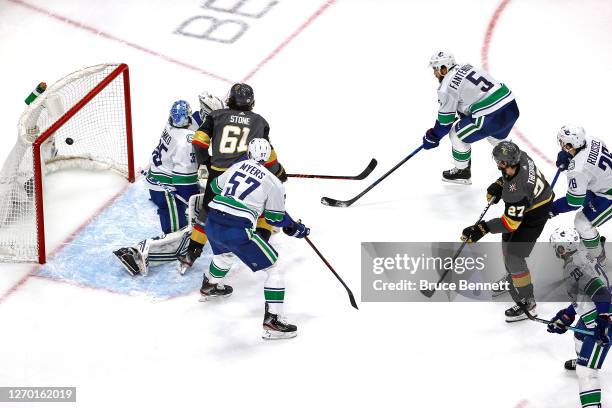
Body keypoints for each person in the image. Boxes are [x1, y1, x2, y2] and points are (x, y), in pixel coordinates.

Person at [200, 138, 309, 339]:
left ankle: (209, 285)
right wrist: (295, 228)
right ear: (268, 158)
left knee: (224, 255)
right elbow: (274, 218)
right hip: (237, 229)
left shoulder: (237, 165)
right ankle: (273, 321)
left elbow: (215, 187)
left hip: (212, 222)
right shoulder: (274, 182)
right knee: (275, 268)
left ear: (248, 152)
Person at [178, 83, 287, 271]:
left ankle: (191, 253)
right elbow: (267, 152)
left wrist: (206, 161)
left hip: (218, 175)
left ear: (230, 99)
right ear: (251, 102)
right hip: (246, 175)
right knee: (265, 208)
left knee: (207, 213)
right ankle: (259, 244)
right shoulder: (259, 121)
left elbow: (198, 140)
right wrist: (278, 172)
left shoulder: (216, 115)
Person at [113, 93, 224, 276]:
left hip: (158, 174)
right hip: (166, 189)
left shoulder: (175, 122)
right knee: (184, 234)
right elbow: (184, 182)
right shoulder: (186, 142)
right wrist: (198, 206)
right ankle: (137, 253)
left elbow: (198, 119)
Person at [461, 141, 553, 321]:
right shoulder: (521, 156)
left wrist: (482, 228)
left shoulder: (516, 191)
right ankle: (513, 276)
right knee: (506, 240)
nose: (497, 164)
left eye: (499, 162)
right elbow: (511, 176)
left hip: (536, 212)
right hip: (532, 200)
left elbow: (511, 223)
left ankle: (529, 301)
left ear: (507, 162)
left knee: (514, 255)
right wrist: (499, 183)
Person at [422, 51, 520, 185]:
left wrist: (432, 136)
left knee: (456, 134)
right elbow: (471, 96)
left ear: (444, 69)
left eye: (436, 69)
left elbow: (444, 124)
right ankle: (520, 167)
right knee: (497, 140)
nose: (434, 73)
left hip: (490, 116)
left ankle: (462, 172)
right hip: (510, 107)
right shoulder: (465, 67)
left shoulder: (446, 87)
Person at [548, 227, 610, 408]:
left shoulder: (574, 266)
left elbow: (601, 293)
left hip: (602, 316)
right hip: (597, 310)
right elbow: (586, 294)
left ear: (564, 247)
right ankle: (585, 355)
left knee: (587, 372)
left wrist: (603, 320)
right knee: (579, 336)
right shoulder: (582, 254)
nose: (556, 252)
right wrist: (567, 315)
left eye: (557, 248)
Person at [551, 125, 612, 263]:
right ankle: (590, 239)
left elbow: (573, 203)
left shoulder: (577, 169)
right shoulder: (592, 140)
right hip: (604, 184)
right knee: (583, 195)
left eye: (563, 143)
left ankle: (599, 257)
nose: (561, 145)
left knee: (582, 222)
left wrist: (552, 208)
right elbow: (589, 160)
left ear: (569, 145)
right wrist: (569, 156)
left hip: (609, 194)